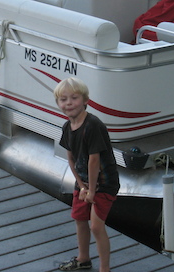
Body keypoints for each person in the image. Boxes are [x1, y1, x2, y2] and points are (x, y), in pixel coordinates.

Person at [54, 77, 120, 272]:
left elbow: (94, 161)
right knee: (80, 219)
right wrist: (81, 186)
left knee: (96, 227)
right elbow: (71, 159)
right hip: (83, 182)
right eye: (63, 99)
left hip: (103, 182)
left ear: (85, 101)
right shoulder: (67, 127)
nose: (68, 103)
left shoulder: (93, 126)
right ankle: (83, 259)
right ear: (58, 103)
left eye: (74, 98)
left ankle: (104, 269)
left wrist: (91, 191)